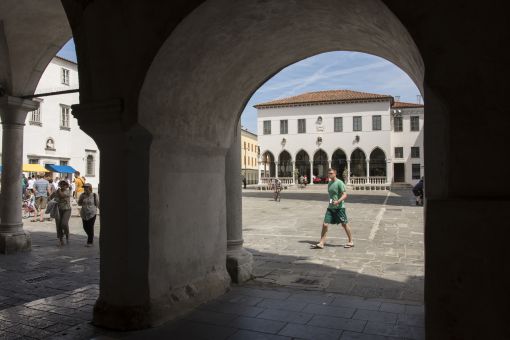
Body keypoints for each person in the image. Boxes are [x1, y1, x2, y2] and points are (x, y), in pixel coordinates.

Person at [312, 168, 353, 249]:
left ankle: (351, 241)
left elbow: (345, 195)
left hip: (339, 208)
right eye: (328, 173)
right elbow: (331, 196)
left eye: (331, 173)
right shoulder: (330, 183)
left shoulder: (339, 183)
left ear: (335, 174)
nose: (329, 175)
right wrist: (331, 202)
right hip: (330, 208)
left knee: (344, 224)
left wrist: (338, 201)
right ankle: (321, 243)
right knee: (325, 224)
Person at [51, 180, 72, 246]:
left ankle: (67, 233)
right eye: (61, 184)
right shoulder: (57, 191)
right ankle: (61, 240)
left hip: (67, 209)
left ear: (67, 185)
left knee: (64, 223)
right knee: (58, 225)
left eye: (64, 184)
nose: (63, 186)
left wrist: (59, 191)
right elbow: (51, 197)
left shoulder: (68, 191)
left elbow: (62, 195)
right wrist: (53, 194)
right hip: (58, 210)